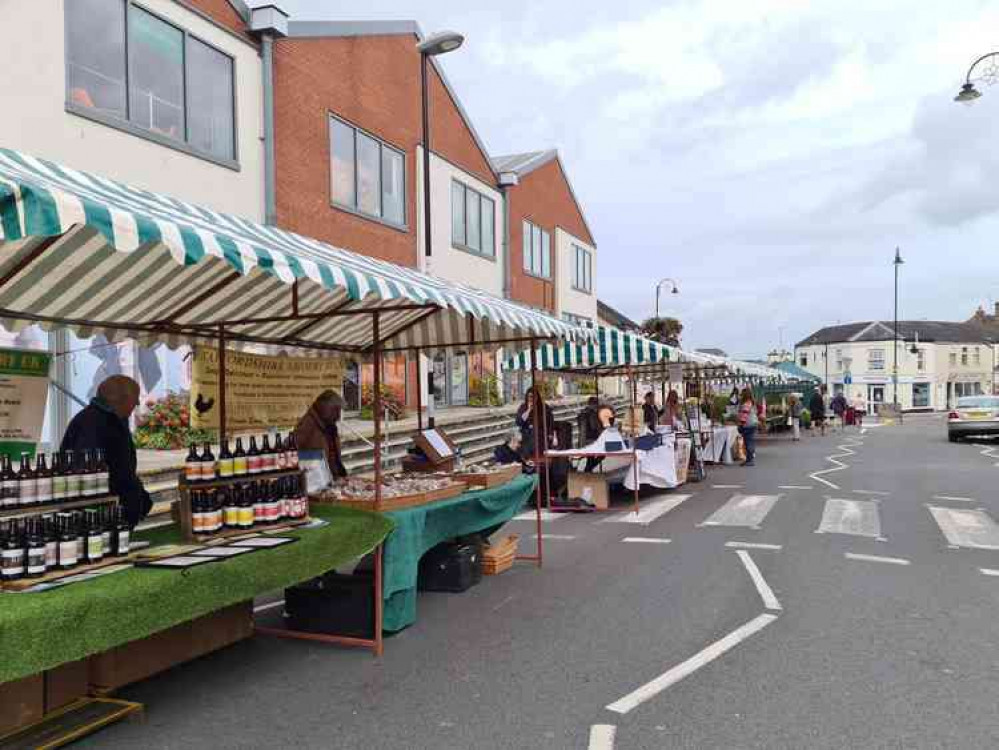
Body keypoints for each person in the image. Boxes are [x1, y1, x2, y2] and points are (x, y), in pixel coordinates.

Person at [61, 375, 152, 527]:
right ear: (120, 399)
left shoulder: (111, 419)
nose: (137, 403)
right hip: (101, 513)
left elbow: (122, 467)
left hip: (116, 506)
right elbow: (89, 473)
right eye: (134, 398)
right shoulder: (92, 423)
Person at [293, 390, 348, 479]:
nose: (338, 416)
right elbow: (291, 448)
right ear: (323, 406)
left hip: (332, 477)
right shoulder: (308, 423)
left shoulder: (329, 425)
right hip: (315, 480)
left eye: (339, 411)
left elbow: (333, 454)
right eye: (335, 410)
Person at [737, 387, 758, 466]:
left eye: (742, 394)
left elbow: (744, 415)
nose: (741, 396)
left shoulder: (746, 403)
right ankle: (749, 459)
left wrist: (741, 424)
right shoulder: (751, 402)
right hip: (752, 423)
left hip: (748, 424)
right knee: (750, 442)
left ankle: (750, 460)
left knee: (748, 442)